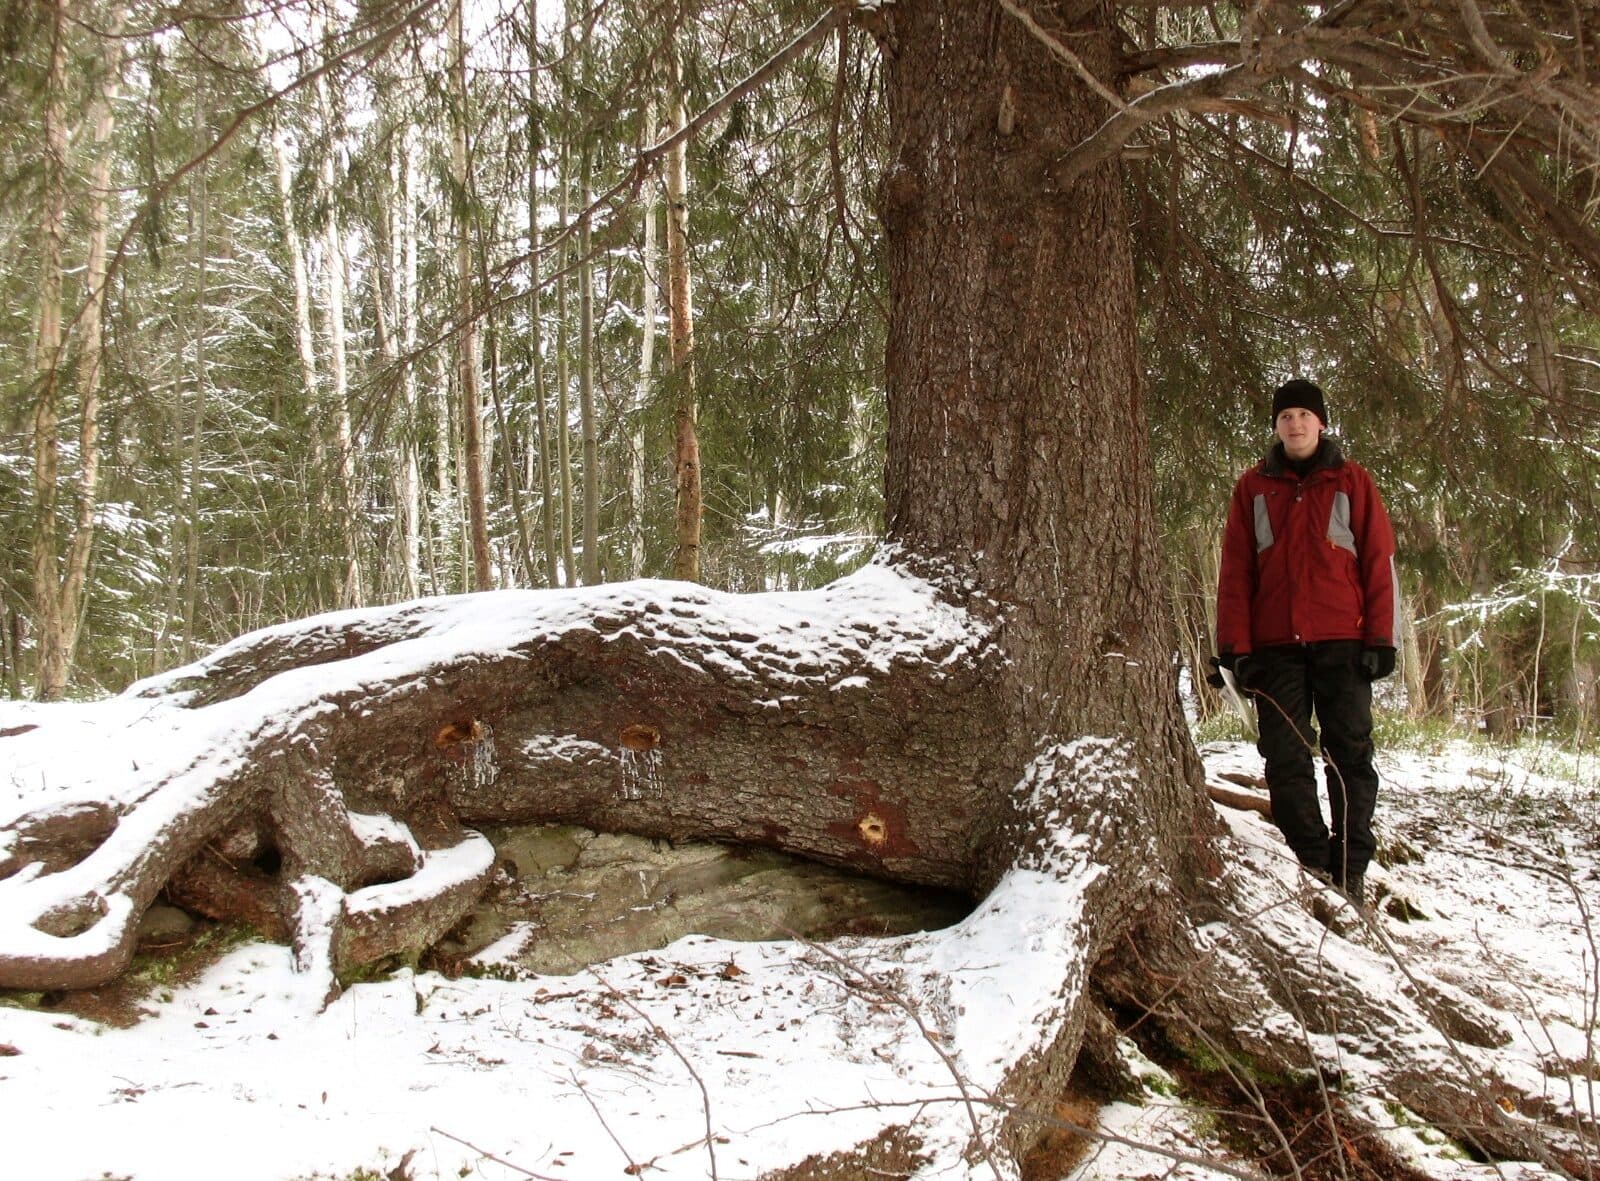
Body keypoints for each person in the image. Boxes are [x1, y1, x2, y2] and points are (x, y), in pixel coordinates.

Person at [1212, 379, 1400, 909]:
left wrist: (1381, 638)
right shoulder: (1253, 488)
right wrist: (1236, 647)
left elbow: (1379, 563)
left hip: (1344, 643)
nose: (1294, 423)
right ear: (1276, 425)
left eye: (1303, 414)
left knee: (1350, 756)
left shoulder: (1352, 482)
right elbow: (1236, 573)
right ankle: (1314, 863)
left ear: (1320, 423)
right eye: (1285, 415)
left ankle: (1351, 868)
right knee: (1284, 757)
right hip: (1276, 649)